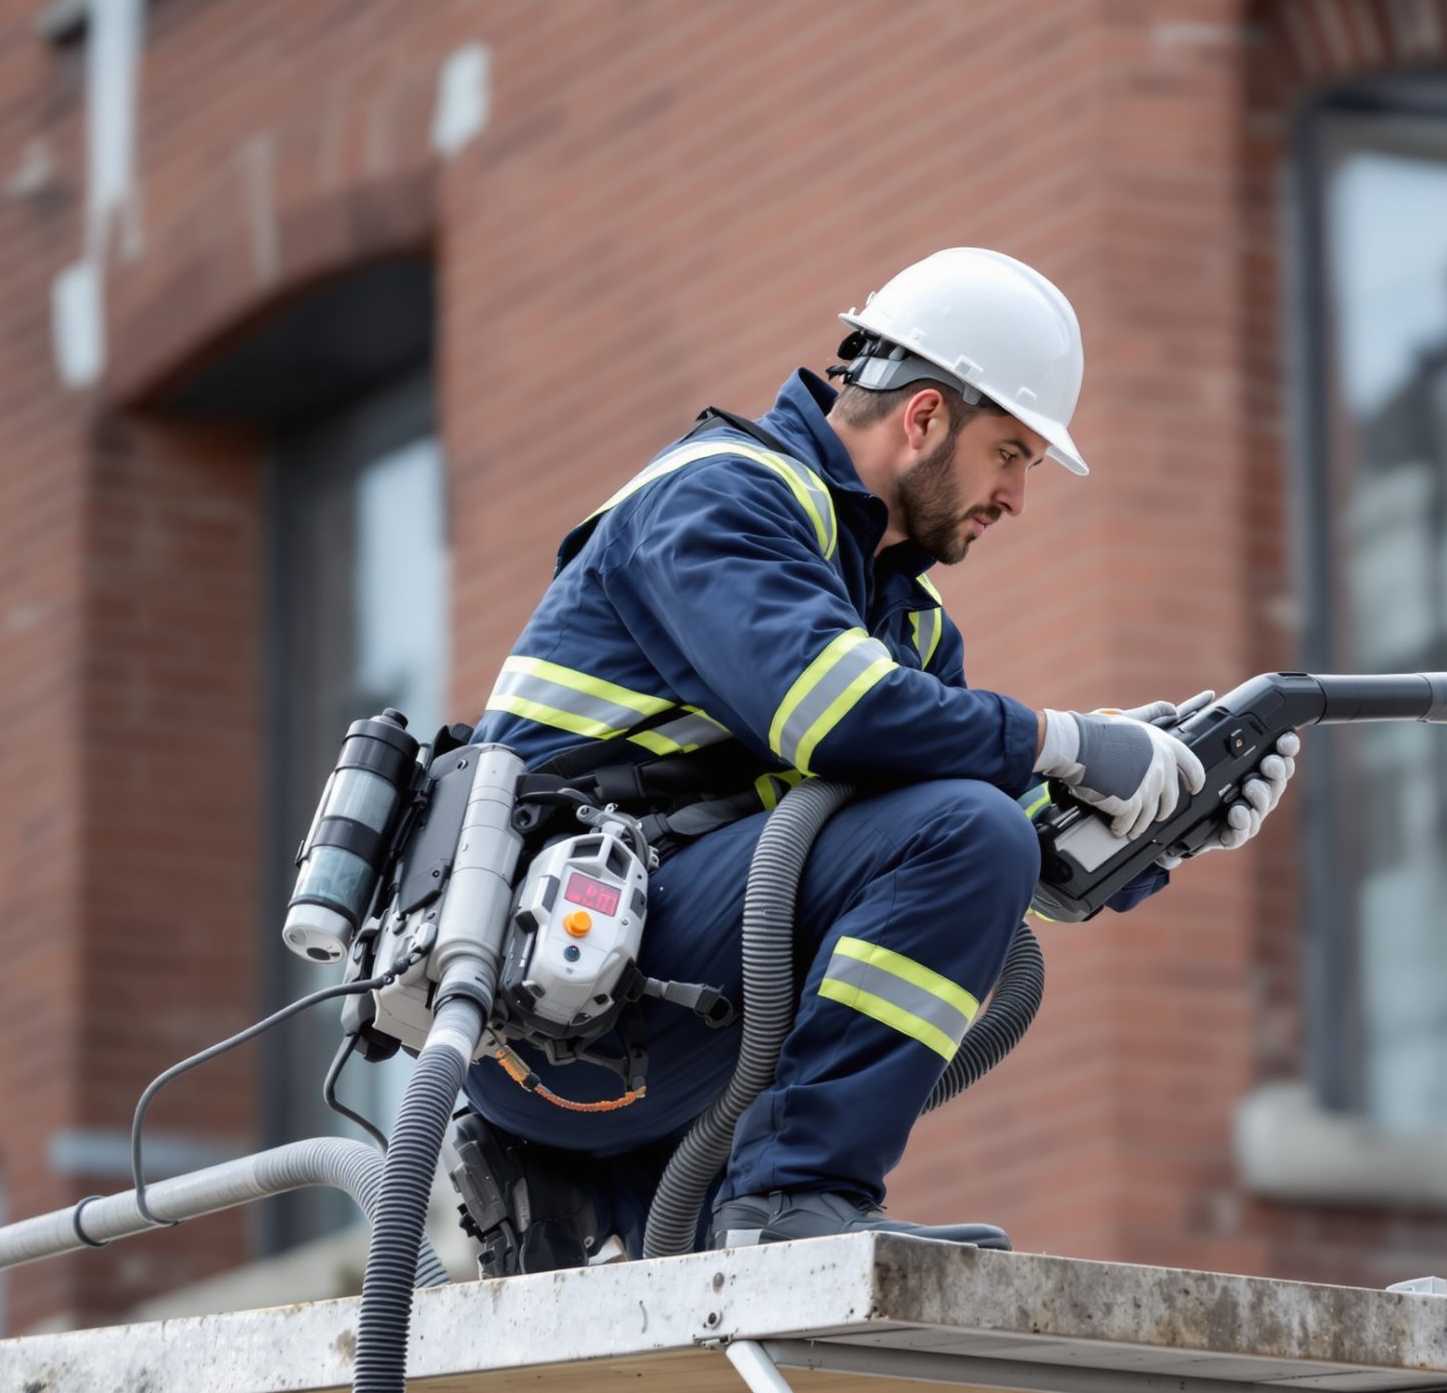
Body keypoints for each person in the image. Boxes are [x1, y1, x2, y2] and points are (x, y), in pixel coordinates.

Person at [449, 248, 1299, 1267]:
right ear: (926, 417)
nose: (1018, 498)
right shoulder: (722, 498)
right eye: (1012, 453)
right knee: (967, 825)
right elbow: (836, 719)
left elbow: (972, 865)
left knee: (975, 834)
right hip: (551, 1005)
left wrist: (1152, 823)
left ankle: (761, 1204)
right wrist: (1068, 741)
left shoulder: (909, 624)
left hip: (659, 1020)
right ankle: (793, 1200)